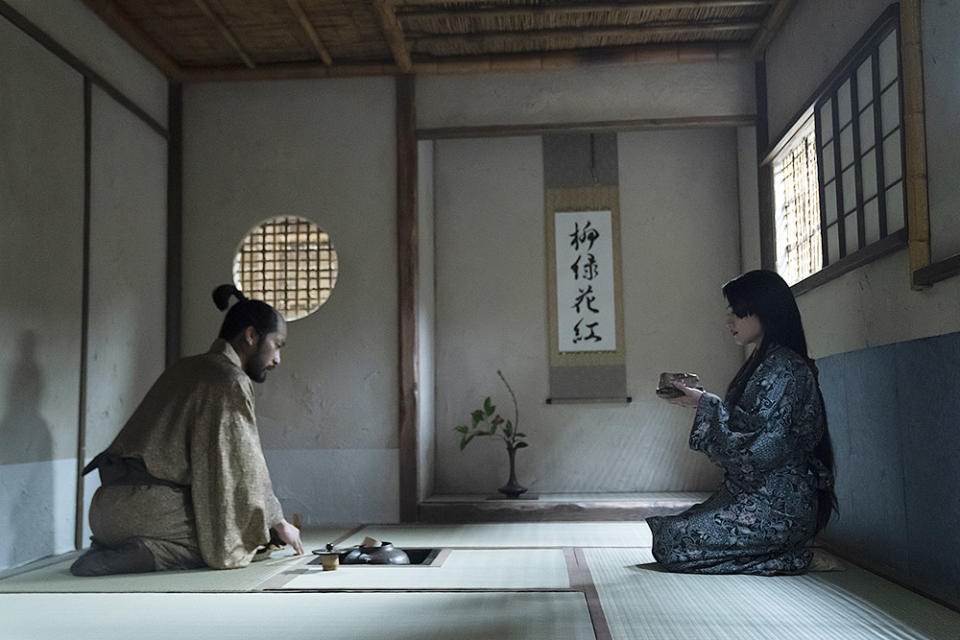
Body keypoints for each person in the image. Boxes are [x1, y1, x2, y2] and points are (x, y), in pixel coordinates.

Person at [70, 285, 304, 576]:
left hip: (104, 509)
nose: (277, 359)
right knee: (232, 538)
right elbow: (244, 467)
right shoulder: (229, 379)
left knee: (232, 528)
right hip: (150, 512)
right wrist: (276, 522)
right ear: (251, 336)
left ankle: (110, 544)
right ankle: (143, 553)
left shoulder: (184, 367)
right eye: (277, 345)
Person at [648, 270, 836, 575]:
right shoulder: (763, 362)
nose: (730, 320)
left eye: (738, 312)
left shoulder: (784, 370)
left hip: (780, 505)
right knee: (671, 530)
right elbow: (743, 429)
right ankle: (781, 553)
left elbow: (757, 451)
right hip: (752, 493)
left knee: (674, 541)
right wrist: (701, 403)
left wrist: (705, 404)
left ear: (764, 311)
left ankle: (792, 557)